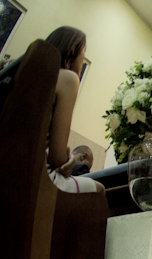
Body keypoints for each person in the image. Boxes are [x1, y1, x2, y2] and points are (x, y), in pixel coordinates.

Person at [44, 27, 104, 195]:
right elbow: (57, 158)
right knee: (98, 190)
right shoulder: (67, 78)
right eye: (84, 52)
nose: (83, 60)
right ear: (72, 53)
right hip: (33, 174)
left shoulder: (26, 75)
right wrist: (69, 160)